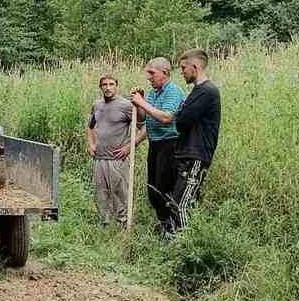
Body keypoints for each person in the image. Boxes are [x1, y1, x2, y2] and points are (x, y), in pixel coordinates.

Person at [128, 57, 186, 233]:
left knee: (164, 190)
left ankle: (173, 231)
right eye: (148, 73)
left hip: (170, 146)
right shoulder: (154, 93)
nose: (148, 76)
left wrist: (141, 102)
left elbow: (166, 118)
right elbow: (144, 119)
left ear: (165, 73)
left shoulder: (173, 91)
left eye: (152, 73)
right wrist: (140, 103)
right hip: (155, 145)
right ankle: (165, 228)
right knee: (153, 191)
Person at [170, 48, 222, 231]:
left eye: (183, 68)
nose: (182, 71)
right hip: (189, 155)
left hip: (196, 155)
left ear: (195, 66)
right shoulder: (198, 91)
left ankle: (185, 249)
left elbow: (182, 121)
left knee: (181, 205)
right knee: (187, 203)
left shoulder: (207, 91)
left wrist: (179, 115)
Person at [87, 74, 135, 227]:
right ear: (100, 87)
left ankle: (122, 225)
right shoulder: (97, 105)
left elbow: (143, 127)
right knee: (101, 193)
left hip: (118, 159)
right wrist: (91, 144)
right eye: (105, 85)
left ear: (117, 85)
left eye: (111, 84)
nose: (108, 88)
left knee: (120, 193)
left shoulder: (126, 105)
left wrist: (129, 147)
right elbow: (90, 126)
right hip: (99, 158)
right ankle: (104, 224)